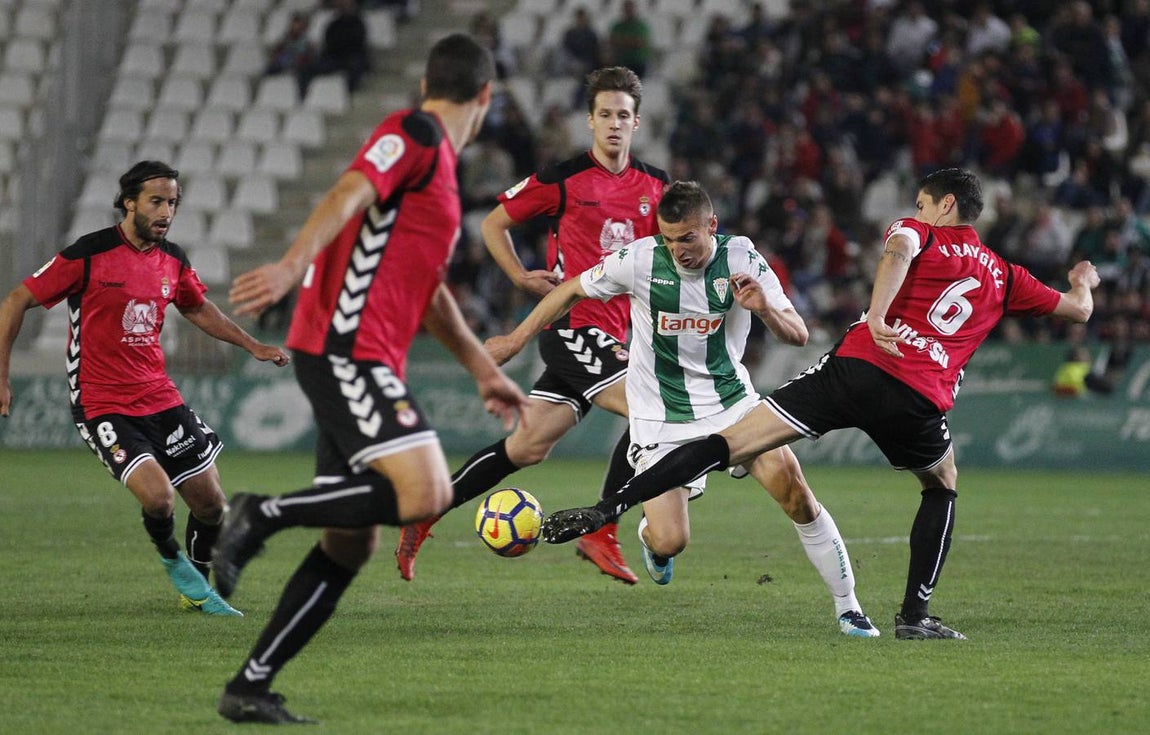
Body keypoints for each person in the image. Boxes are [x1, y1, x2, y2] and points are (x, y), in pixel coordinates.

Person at [542, 168, 1101, 641]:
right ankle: (914, 615)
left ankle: (607, 510)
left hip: (853, 370)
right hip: (919, 397)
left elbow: (899, 250)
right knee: (942, 485)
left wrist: (879, 317)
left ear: (945, 205)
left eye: (924, 203)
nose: (917, 210)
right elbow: (1077, 311)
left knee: (727, 445)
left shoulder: (918, 232)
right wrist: (1083, 279)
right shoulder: (1004, 274)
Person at [212, 34, 527, 724]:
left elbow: (432, 292)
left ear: (424, 80)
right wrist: (293, 266)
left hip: (363, 353)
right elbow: (350, 188)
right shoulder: (412, 133)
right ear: (486, 97)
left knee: (351, 540)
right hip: (344, 348)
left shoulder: (441, 172)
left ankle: (250, 685)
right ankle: (260, 513)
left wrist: (481, 368)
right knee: (427, 490)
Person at [484, 181, 878, 636]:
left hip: (733, 406)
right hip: (659, 417)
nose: (678, 250)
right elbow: (569, 290)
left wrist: (764, 309)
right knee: (671, 540)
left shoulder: (742, 257)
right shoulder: (639, 259)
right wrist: (516, 339)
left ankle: (848, 607)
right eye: (669, 238)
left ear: (711, 225)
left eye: (687, 238)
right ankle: (651, 540)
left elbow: (798, 334)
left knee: (796, 495)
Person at [394, 66, 670, 585]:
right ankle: (602, 528)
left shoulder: (657, 187)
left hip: (618, 338)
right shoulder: (563, 179)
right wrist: (520, 276)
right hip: (572, 329)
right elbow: (492, 222)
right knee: (651, 410)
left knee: (527, 446)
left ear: (637, 123)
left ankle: (427, 511)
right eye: (605, 114)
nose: (614, 124)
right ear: (590, 121)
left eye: (624, 116)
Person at [0, 160, 290, 617]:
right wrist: (2, 374)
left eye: (172, 202)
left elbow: (196, 308)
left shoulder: (172, 259)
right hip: (103, 403)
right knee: (159, 497)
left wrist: (251, 343)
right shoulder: (88, 254)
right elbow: (16, 300)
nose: (166, 211)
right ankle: (177, 566)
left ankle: (195, 587)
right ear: (129, 201)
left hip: (159, 396)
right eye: (157, 201)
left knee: (212, 504)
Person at [296, 0, 370, 97]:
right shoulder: (334, 23)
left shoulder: (358, 24)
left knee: (356, 65)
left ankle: (349, 94)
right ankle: (304, 96)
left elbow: (357, 43)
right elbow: (329, 41)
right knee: (307, 69)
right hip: (334, 57)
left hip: (350, 57)